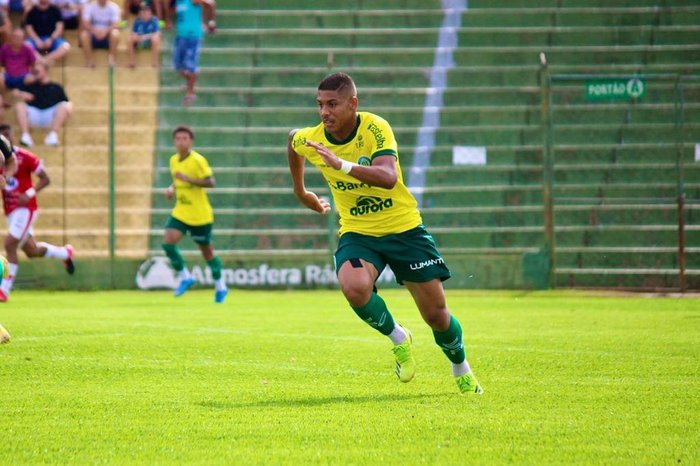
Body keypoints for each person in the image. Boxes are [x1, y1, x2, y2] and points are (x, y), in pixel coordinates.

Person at [287, 72, 484, 395]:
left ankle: (461, 367)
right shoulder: (314, 138)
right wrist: (301, 191)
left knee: (436, 315)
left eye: (332, 104)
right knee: (354, 287)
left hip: (404, 229)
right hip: (359, 232)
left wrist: (341, 165)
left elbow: (388, 177)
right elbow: (293, 139)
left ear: (353, 104)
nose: (324, 112)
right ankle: (399, 337)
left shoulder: (375, 128)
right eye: (320, 104)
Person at [0, 124, 73, 303]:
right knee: (32, 251)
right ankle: (65, 253)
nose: (6, 139)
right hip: (10, 211)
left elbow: (46, 178)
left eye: (8, 135)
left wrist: (29, 193)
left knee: (10, 245)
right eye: (3, 135)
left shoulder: (25, 156)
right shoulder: (2, 159)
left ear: (13, 136)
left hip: (26, 209)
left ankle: (4, 289)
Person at [162, 125, 227, 303]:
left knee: (207, 252)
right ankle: (185, 276)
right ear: (174, 141)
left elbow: (211, 182)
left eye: (184, 138)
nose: (181, 142)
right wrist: (172, 188)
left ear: (191, 141)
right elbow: (177, 181)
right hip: (181, 212)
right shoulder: (173, 160)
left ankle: (220, 285)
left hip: (200, 215)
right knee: (167, 243)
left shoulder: (198, 160)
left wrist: (188, 179)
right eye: (178, 138)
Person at [13, 61, 72, 147]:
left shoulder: (56, 87)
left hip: (50, 116)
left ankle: (53, 135)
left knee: (64, 105)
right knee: (19, 105)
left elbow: (67, 102)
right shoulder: (30, 85)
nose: (35, 72)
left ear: (45, 70)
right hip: (34, 115)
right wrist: (23, 94)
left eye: (38, 70)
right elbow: (15, 92)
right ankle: (26, 136)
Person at [171, 0, 214, 105]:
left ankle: (190, 93)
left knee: (190, 66)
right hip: (181, 36)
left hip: (193, 37)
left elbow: (210, 4)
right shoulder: (178, 2)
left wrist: (210, 23)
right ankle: (191, 82)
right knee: (178, 65)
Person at [0, 28, 37, 120]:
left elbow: (33, 63)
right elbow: (2, 62)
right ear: (11, 38)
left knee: (32, 78)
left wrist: (31, 72)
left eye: (19, 38)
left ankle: (29, 100)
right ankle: (3, 99)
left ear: (23, 39)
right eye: (15, 37)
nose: (16, 39)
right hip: (8, 75)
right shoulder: (5, 48)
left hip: (23, 76)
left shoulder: (28, 48)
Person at [79, 0, 120, 67]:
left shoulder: (114, 7)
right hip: (93, 34)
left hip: (107, 36)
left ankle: (112, 59)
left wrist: (105, 32)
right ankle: (90, 60)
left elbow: (115, 24)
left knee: (115, 33)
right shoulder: (89, 7)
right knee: (84, 34)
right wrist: (95, 31)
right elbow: (85, 23)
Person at [127, 3, 160, 68]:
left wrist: (146, 36)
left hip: (149, 40)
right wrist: (137, 36)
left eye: (147, 11)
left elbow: (158, 33)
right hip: (139, 40)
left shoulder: (154, 20)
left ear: (150, 13)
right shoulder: (137, 20)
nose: (145, 14)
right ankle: (132, 62)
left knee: (155, 39)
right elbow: (133, 32)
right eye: (143, 12)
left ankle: (155, 62)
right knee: (129, 40)